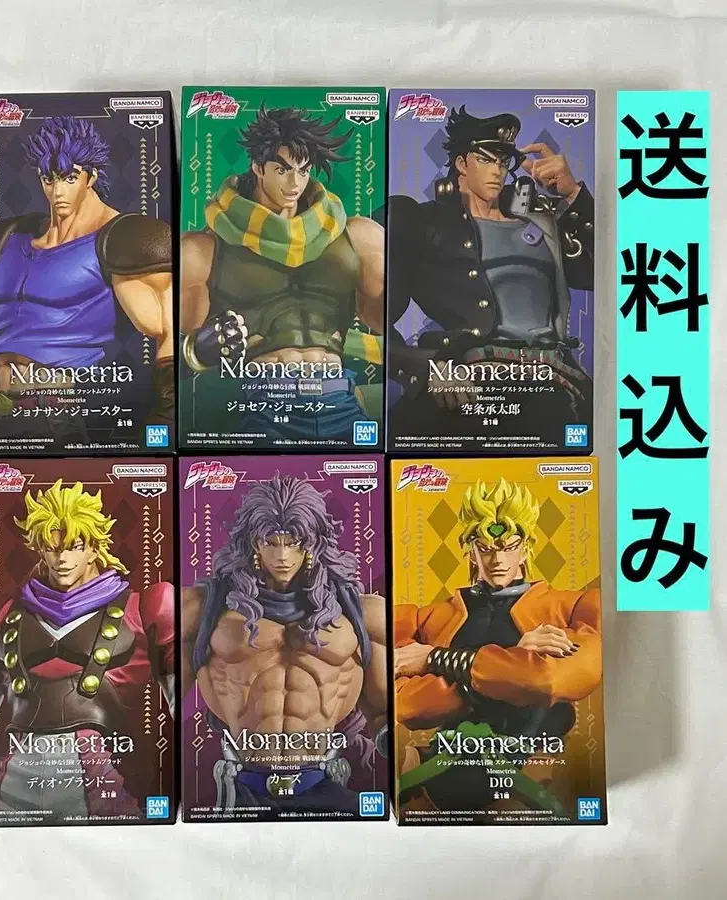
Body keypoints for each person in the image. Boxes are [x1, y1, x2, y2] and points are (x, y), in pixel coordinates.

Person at [0, 479, 175, 821]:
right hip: (13, 778)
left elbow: (188, 712)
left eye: (75, 546)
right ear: (39, 549)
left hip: (104, 779)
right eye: (51, 548)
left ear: (94, 548)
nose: (62, 558)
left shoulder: (146, 608)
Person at [388, 106, 594, 445]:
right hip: (470, 379)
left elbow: (596, 275)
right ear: (461, 163)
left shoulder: (542, 221)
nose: (497, 170)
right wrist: (425, 367)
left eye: (504, 161)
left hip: (554, 380)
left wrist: (572, 195)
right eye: (485, 159)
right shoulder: (421, 221)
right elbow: (365, 308)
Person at [394, 478, 601, 812]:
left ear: (526, 547)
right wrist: (516, 661)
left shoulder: (573, 608)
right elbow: (407, 707)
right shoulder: (430, 618)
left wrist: (436, 660)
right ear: (470, 550)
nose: (497, 560)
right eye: (486, 548)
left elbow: (546, 680)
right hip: (430, 778)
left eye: (509, 547)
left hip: (520, 788)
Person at [182, 476, 387, 813]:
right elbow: (160, 709)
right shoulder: (204, 608)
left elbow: (383, 716)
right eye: (271, 542)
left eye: (294, 542)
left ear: (313, 543)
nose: (282, 556)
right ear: (253, 543)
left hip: (327, 780)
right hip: (240, 786)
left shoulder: (361, 613)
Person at [181, 105, 384, 442]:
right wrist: (198, 351)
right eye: (282, 169)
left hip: (339, 399)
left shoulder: (358, 237)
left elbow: (387, 325)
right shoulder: (203, 249)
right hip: (265, 403)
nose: (295, 183)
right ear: (257, 166)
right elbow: (170, 358)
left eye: (303, 171)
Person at [0, 116, 173, 449]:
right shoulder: (6, 239)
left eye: (70, 177)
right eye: (49, 179)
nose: (58, 191)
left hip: (57, 411)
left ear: (91, 176)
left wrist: (166, 418)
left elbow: (165, 329)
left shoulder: (122, 240)